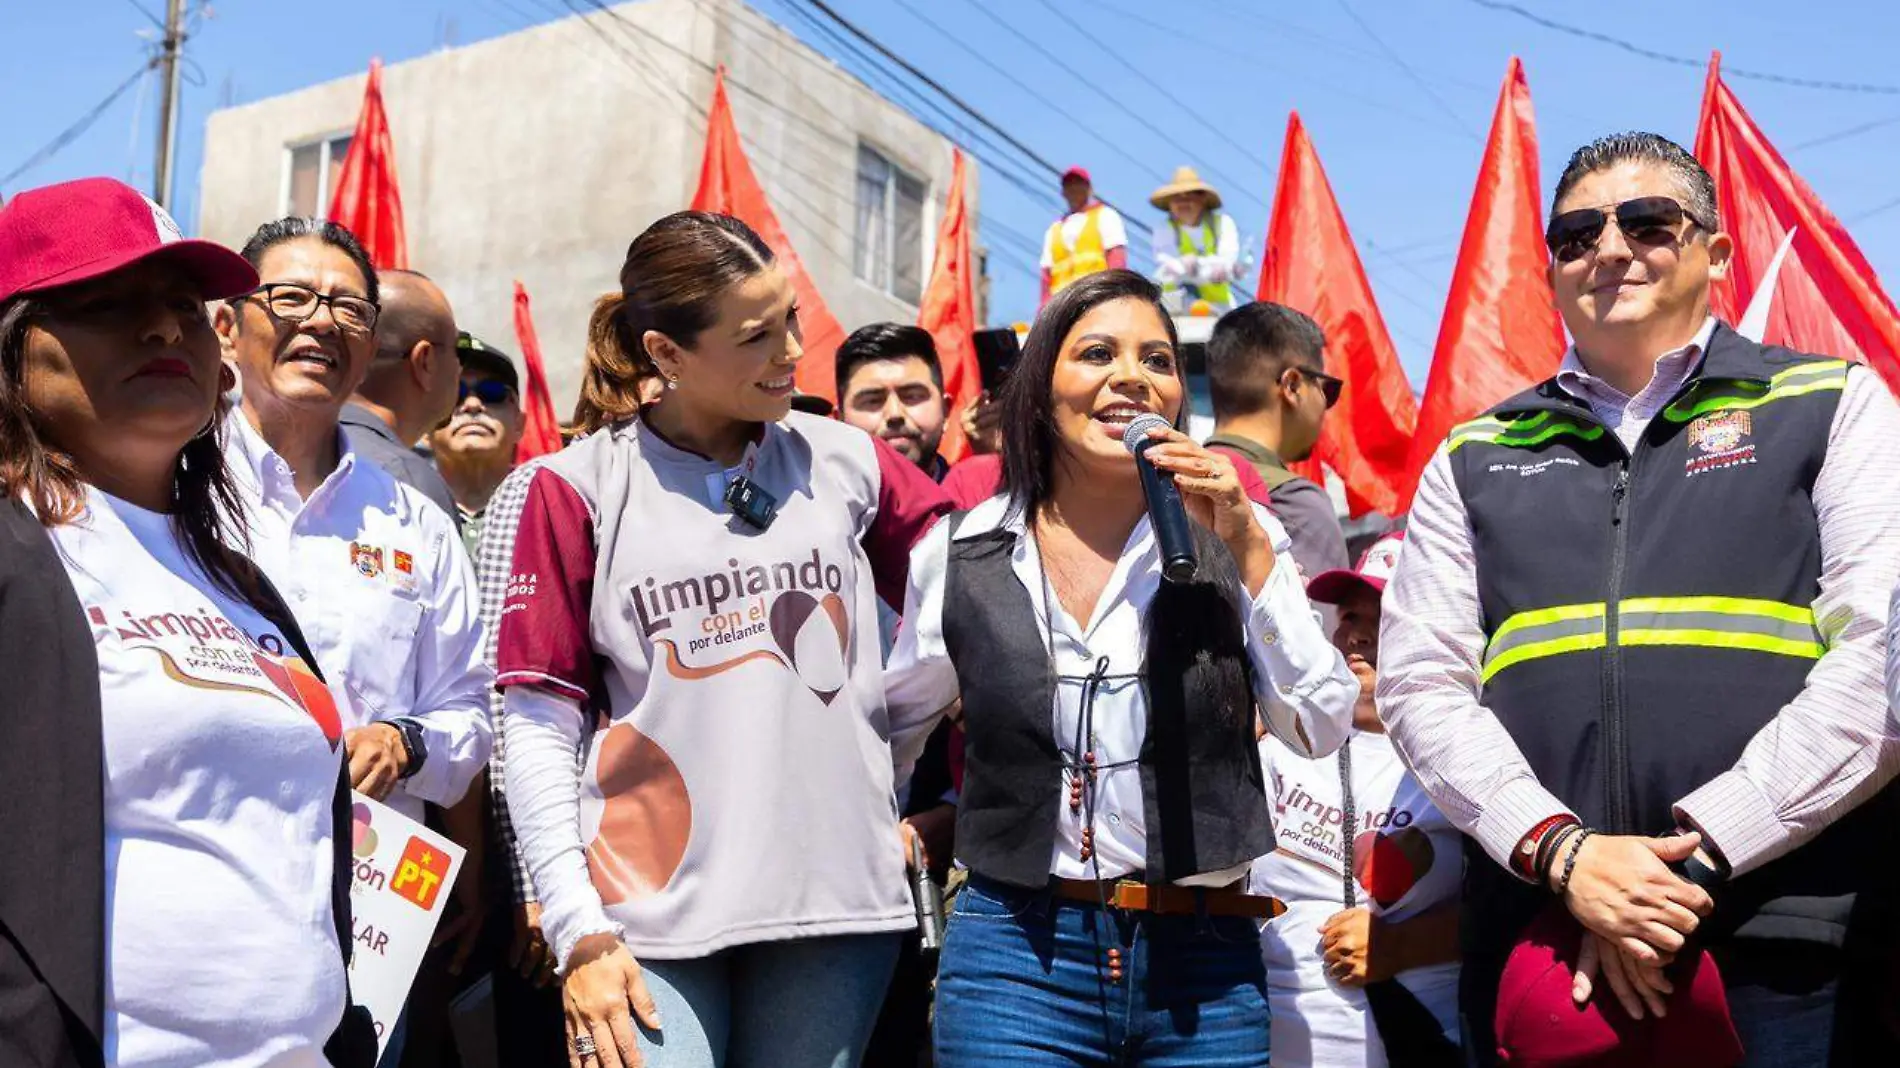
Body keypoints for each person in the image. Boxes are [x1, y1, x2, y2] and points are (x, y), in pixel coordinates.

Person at [1379, 132, 1900, 1065]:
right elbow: (1420, 683)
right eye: (1577, 233)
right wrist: (1564, 856)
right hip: (1538, 939)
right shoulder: (1473, 452)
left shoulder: (1832, 401)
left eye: (1648, 221)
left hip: (1784, 940)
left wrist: (1689, 861)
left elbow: (1882, 663)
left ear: (1718, 251)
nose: (1610, 248)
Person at [496, 211, 953, 1068]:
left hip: (834, 903)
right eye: (758, 336)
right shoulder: (571, 488)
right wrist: (575, 927)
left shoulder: (847, 458)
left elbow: (950, 624)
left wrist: (874, 762)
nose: (792, 350)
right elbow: (536, 727)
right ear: (666, 354)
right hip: (643, 915)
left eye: (789, 322)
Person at [885, 269, 1359, 1067]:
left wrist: (1245, 550)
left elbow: (1318, 725)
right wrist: (893, 824)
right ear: (1040, 390)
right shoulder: (960, 553)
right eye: (1097, 353)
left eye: (1158, 360)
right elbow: (890, 731)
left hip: (1203, 968)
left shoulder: (1237, 536)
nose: (1131, 377)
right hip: (1014, 959)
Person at [0, 177, 374, 1068]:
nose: (166, 327)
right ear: (13, 350)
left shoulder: (239, 582)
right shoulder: (15, 556)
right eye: (108, 302)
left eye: (182, 303)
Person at [214, 217, 495, 1062]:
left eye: (348, 309)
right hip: (199, 883)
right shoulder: (163, 481)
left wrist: (406, 743)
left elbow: (471, 706)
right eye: (292, 297)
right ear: (227, 325)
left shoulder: (413, 518)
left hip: (364, 910)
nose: (321, 323)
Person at [1252, 532, 1462, 1067]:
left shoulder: (1462, 756)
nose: (1357, 634)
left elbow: (1513, 915)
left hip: (1418, 1039)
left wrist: (1402, 946)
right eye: (1348, 616)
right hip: (1266, 1038)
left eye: (1381, 616)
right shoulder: (1277, 741)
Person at [1204, 302, 1350, 592]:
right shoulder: (1294, 502)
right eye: (1327, 389)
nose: (1326, 406)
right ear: (1293, 386)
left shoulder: (1169, 486)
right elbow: (1317, 632)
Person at [339, 268, 462, 519]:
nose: (460, 367)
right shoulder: (405, 484)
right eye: (457, 350)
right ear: (425, 361)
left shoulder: (282, 455)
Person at [432, 331, 526, 558]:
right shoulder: (399, 508)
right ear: (425, 426)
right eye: (455, 394)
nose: (473, 404)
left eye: (492, 393)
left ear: (519, 424)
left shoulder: (548, 508)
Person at [835, 322, 952, 480]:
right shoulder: (819, 503)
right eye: (872, 400)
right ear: (839, 421)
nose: (894, 414)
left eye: (912, 396)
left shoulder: (982, 501)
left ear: (946, 411)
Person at [1149, 166, 1242, 316]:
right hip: (1176, 311)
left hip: (1219, 309)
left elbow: (1227, 263)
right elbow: (1168, 265)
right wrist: (1207, 267)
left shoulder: (1223, 223)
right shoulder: (1164, 228)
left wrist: (1194, 265)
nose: (1183, 204)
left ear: (1202, 199)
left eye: (1189, 198)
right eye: (1177, 199)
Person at [1040, 166, 1128, 306]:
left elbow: (1117, 261)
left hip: (1096, 299)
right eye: (1069, 185)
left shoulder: (1105, 216)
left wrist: (1115, 298)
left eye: (1078, 183)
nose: (1074, 189)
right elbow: (1046, 277)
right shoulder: (1054, 230)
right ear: (1063, 192)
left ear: (1089, 189)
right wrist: (1044, 313)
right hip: (1061, 308)